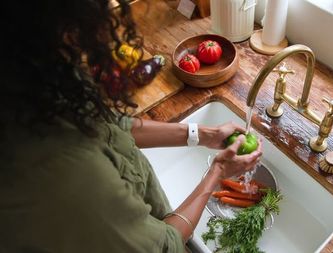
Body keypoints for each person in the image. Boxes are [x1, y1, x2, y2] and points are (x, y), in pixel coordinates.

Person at [0, 0, 263, 252]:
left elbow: (112, 124)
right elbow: (162, 248)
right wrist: (216, 172)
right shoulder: (67, 174)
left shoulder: (37, 77)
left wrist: (204, 134)